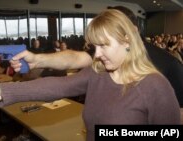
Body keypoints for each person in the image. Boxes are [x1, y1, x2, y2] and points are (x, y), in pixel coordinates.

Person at [0, 9, 180, 141]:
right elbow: (57, 86)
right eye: (94, 47)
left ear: (127, 41)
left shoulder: (154, 85)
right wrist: (2, 90)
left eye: (103, 46)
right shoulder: (98, 72)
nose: (97, 54)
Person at [10, 6, 183, 107]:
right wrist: (38, 60)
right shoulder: (106, 57)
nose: (97, 54)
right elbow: (75, 60)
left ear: (130, 33)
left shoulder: (168, 66)